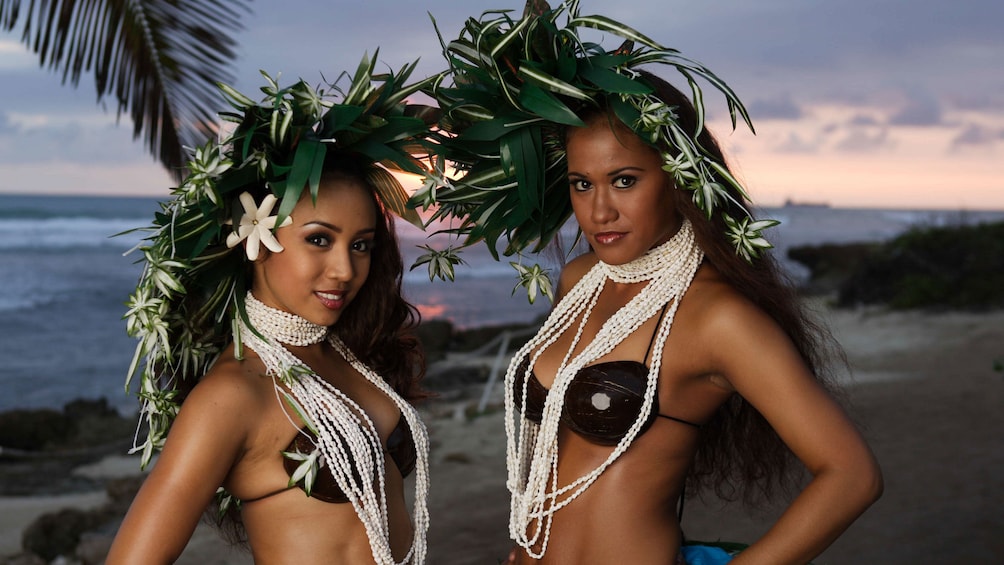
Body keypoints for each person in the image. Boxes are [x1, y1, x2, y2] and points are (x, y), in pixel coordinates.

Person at [414, 2, 882, 563]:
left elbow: (851, 475)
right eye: (582, 185)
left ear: (679, 180)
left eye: (625, 180)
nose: (599, 211)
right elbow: (561, 451)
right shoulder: (581, 279)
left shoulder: (717, 318)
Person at [109, 59, 437, 565]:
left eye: (362, 245)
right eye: (319, 239)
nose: (344, 270)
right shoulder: (232, 394)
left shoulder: (346, 358)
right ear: (255, 239)